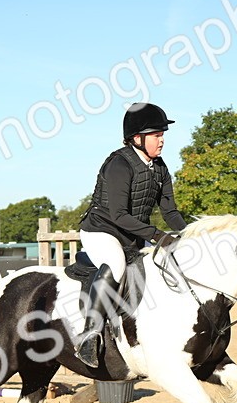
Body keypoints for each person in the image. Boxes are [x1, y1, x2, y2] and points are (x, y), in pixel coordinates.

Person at [74, 102, 188, 366]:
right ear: (137, 138)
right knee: (116, 264)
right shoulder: (119, 164)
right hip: (102, 231)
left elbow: (170, 211)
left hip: (132, 235)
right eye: (156, 135)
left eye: (162, 135)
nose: (162, 140)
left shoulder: (160, 168)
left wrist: (188, 236)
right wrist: (158, 236)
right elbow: (118, 216)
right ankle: (89, 336)